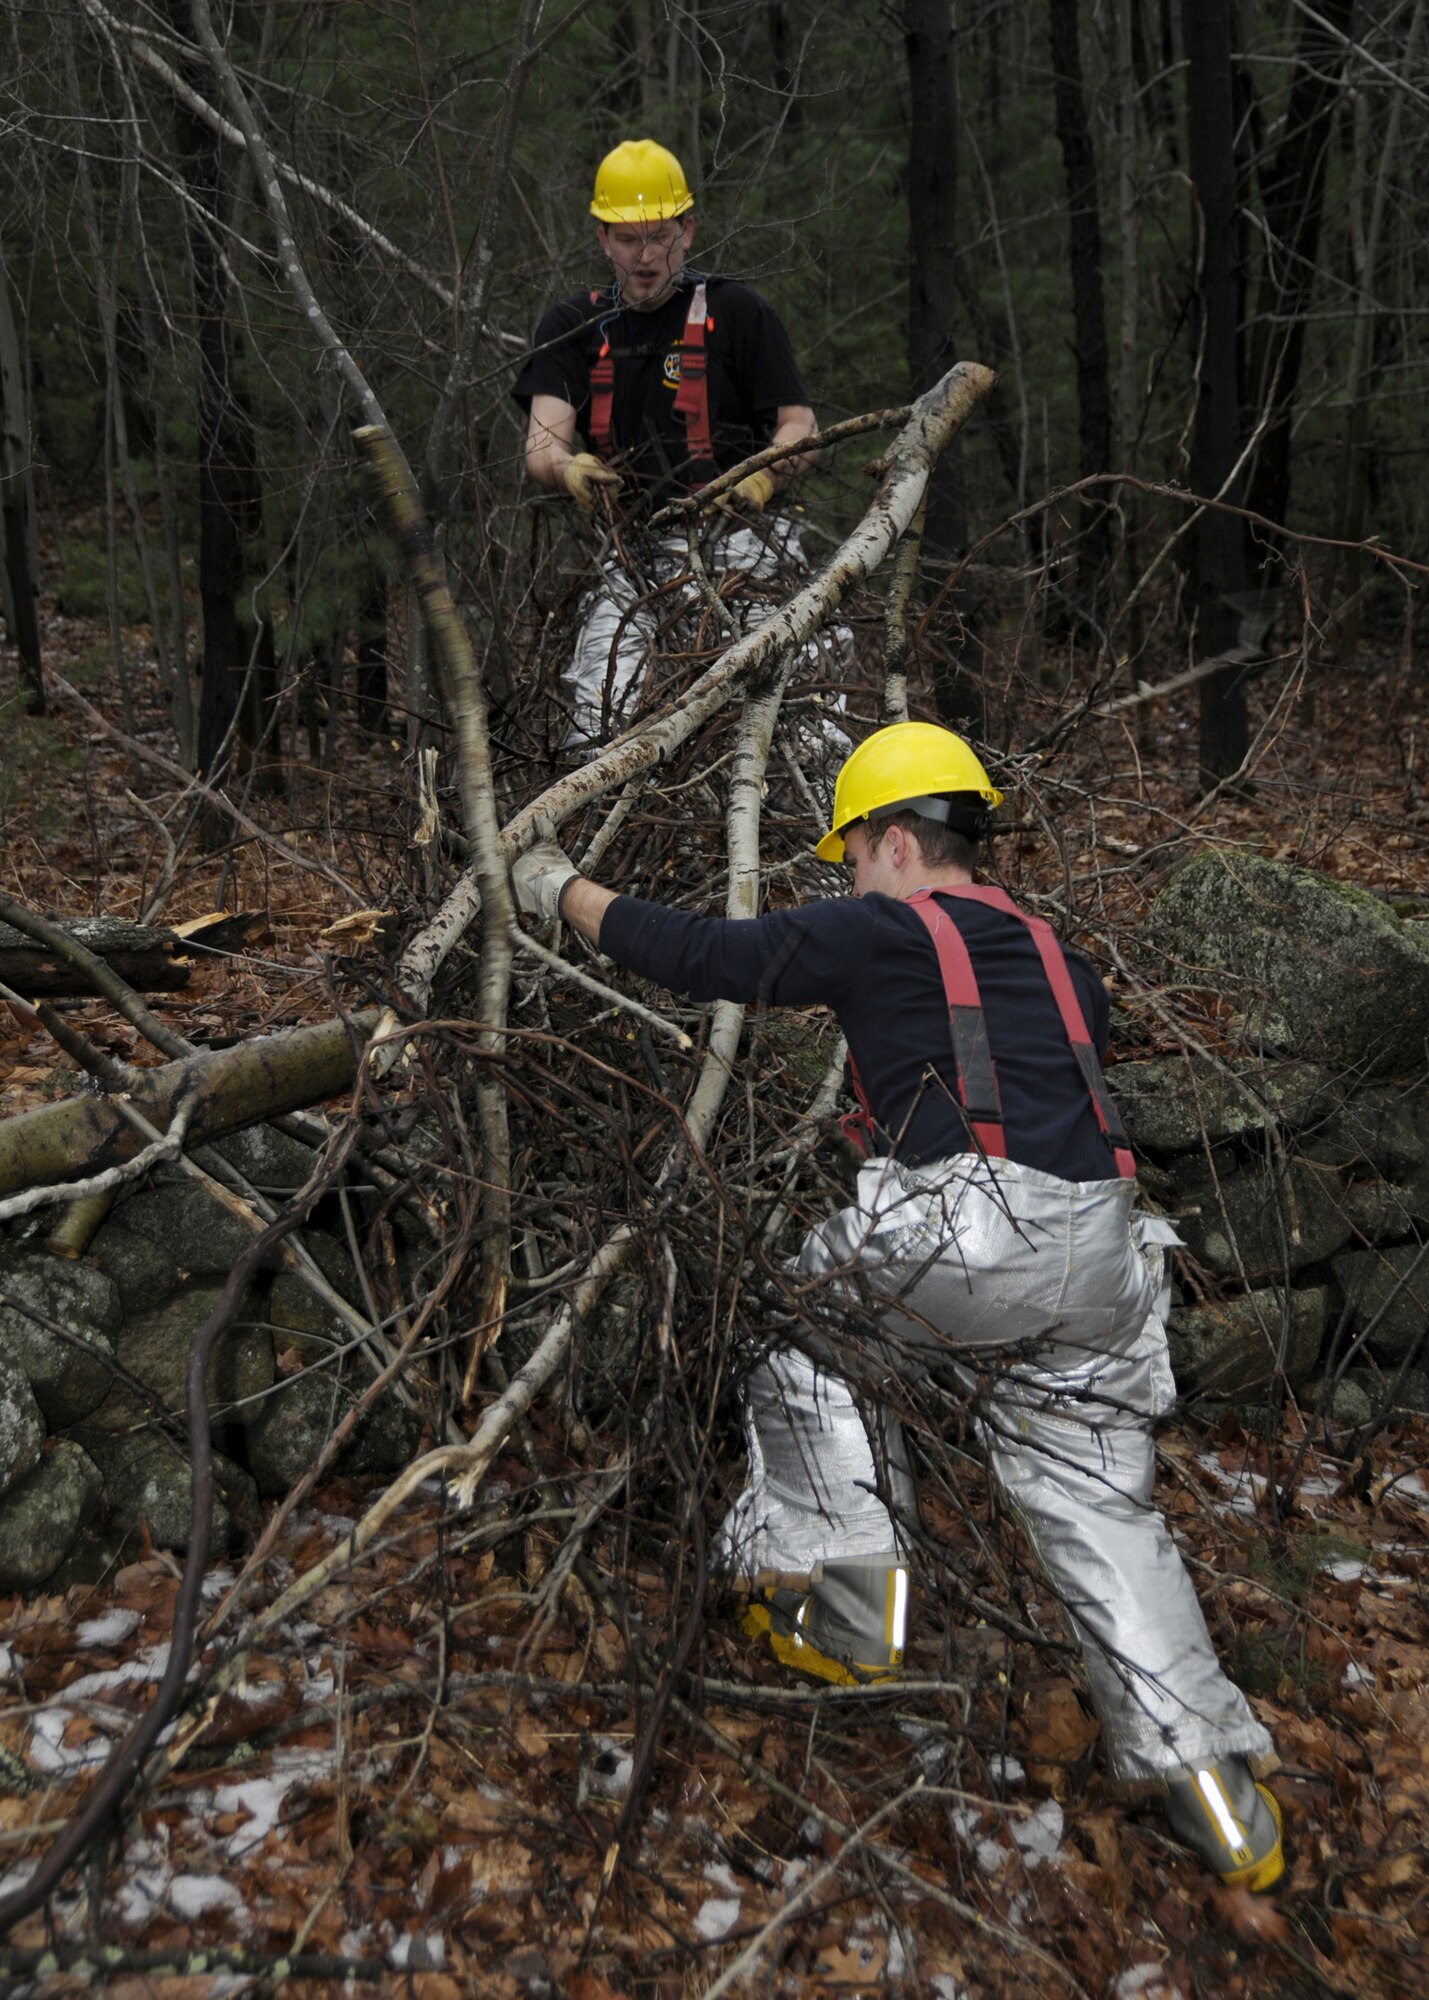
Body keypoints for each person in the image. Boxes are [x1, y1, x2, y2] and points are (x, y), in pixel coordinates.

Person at [511, 718, 1286, 1892]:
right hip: (1107, 1258)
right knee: (1097, 1505)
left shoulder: (878, 929)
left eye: (851, 852)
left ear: (890, 840)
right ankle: (1220, 1797)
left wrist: (555, 885)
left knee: (795, 1322)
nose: (849, 874)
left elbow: (703, 957)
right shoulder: (1061, 955)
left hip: (969, 1226)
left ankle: (851, 1601)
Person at [512, 138, 828, 753]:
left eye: (660, 235)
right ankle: (610, 827)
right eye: (629, 239)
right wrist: (570, 469)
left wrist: (762, 478)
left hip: (742, 543)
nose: (646, 255)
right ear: (603, 239)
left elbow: (800, 426)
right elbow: (541, 447)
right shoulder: (575, 327)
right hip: (631, 550)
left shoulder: (736, 313)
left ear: (687, 229)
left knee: (785, 704)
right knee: (602, 712)